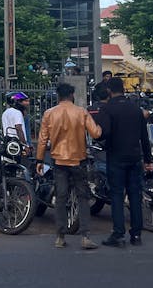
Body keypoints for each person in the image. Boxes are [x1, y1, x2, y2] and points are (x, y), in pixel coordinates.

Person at [34, 81, 102, 250]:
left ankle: (60, 236)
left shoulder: (49, 114)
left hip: (58, 161)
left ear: (58, 96)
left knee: (61, 198)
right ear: (72, 95)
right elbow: (96, 133)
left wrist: (39, 160)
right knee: (83, 198)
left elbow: (42, 140)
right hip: (78, 160)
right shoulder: (81, 112)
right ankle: (85, 236)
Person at [98, 77, 153, 247]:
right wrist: (148, 160)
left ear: (109, 90)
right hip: (135, 157)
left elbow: (104, 133)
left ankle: (118, 233)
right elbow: (144, 137)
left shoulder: (108, 109)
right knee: (135, 195)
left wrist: (103, 142)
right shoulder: (136, 109)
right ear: (123, 89)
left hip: (116, 156)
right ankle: (136, 235)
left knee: (116, 195)